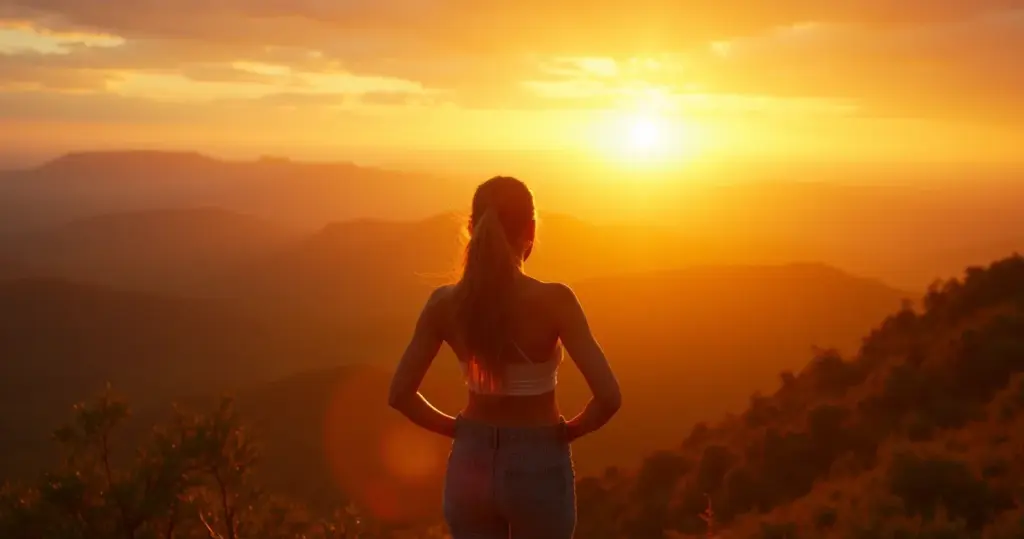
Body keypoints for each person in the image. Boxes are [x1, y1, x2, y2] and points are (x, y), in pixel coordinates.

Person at [387, 176, 622, 539]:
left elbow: (400, 394)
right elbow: (608, 397)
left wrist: (460, 431)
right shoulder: (555, 302)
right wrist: (568, 432)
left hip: (469, 462)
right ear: (530, 229)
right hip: (538, 461)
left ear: (471, 229)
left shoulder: (443, 304)